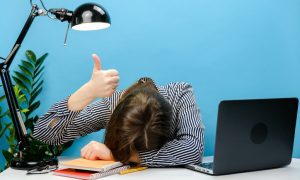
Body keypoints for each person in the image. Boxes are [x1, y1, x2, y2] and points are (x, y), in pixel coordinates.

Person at [33, 54, 205, 167]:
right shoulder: (112, 105)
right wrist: (87, 92)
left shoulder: (180, 94)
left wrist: (121, 155)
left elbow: (192, 150)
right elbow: (45, 134)